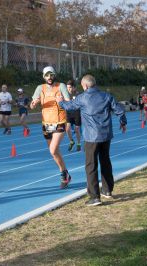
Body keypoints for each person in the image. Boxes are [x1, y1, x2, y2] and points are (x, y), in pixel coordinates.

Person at [57, 74, 127, 206]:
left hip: (91, 137)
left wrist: (60, 101)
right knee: (105, 161)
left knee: (91, 165)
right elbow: (120, 110)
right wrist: (123, 123)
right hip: (106, 135)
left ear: (85, 86)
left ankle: (95, 197)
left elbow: (69, 106)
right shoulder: (106, 96)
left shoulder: (82, 98)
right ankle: (107, 190)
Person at [30, 66, 72, 189]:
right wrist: (34, 103)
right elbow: (32, 105)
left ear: (54, 75)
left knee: (53, 150)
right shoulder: (40, 88)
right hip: (46, 123)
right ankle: (65, 173)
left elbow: (68, 102)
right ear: (44, 77)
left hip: (59, 121)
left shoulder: (61, 86)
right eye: (47, 75)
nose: (49, 77)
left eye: (51, 75)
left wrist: (62, 100)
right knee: (54, 152)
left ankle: (63, 174)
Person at [65, 79, 82, 152]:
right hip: (69, 113)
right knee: (67, 129)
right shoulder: (65, 94)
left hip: (77, 113)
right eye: (67, 87)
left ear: (74, 87)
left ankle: (78, 143)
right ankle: (71, 141)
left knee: (77, 129)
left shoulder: (78, 94)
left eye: (70, 87)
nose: (68, 89)